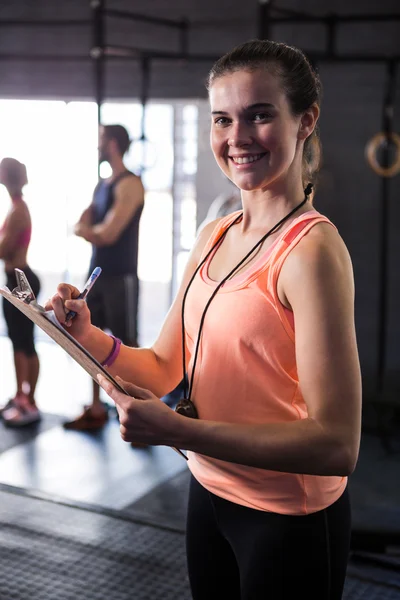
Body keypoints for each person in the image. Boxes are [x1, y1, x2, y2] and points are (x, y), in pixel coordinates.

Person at [48, 39, 362, 599]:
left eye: (259, 115)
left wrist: (179, 431)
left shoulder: (311, 252)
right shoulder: (213, 236)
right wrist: (85, 334)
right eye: (222, 119)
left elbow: (336, 444)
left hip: (285, 516)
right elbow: (164, 368)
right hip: (209, 493)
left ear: (305, 120)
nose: (236, 137)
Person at [63, 124, 145, 431]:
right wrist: (89, 232)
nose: (97, 145)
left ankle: (140, 414)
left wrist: (89, 231)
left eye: (100, 140)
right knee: (87, 339)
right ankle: (96, 408)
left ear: (111, 143)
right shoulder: (103, 185)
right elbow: (82, 224)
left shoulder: (130, 184)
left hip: (120, 277)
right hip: (95, 277)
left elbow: (108, 233)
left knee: (129, 344)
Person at [0, 158, 41, 426]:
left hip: (19, 280)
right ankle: (22, 396)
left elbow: (3, 250)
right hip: (15, 277)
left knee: (23, 342)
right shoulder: (16, 208)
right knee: (20, 341)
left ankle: (28, 401)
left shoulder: (18, 211)